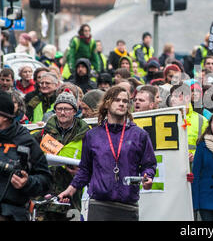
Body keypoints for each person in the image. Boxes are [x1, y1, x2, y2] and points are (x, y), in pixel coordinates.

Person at [58, 86, 157, 221]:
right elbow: (85, 170)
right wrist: (70, 190)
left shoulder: (139, 135)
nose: (122, 103)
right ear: (107, 103)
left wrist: (149, 176)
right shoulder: (92, 135)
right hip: (99, 205)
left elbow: (149, 164)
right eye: (117, 100)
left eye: (125, 101)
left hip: (128, 205)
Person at [32, 92, 90, 221]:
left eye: (67, 109)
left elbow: (94, 163)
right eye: (59, 109)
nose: (63, 113)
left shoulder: (87, 135)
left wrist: (81, 172)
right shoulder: (42, 134)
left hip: (72, 195)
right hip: (45, 196)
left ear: (75, 111)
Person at [0, 91, 52, 221]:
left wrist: (27, 183)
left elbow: (45, 181)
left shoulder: (25, 141)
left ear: (4, 116)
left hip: (12, 213)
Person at [168, 83, 208, 163]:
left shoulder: (202, 120)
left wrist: (195, 157)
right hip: (172, 167)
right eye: (171, 96)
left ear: (187, 98)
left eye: (176, 96)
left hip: (194, 170)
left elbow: (208, 148)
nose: (172, 99)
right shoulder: (165, 119)